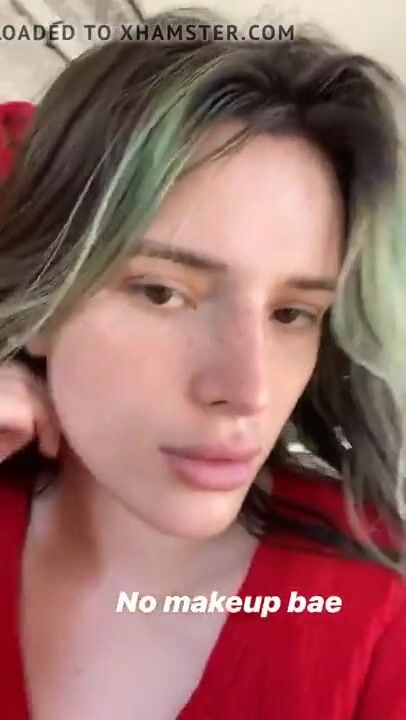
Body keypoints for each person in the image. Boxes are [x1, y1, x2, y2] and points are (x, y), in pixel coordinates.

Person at [0, 8, 406, 720]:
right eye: (161, 292)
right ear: (43, 303)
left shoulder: (375, 613)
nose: (248, 391)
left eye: (292, 313)